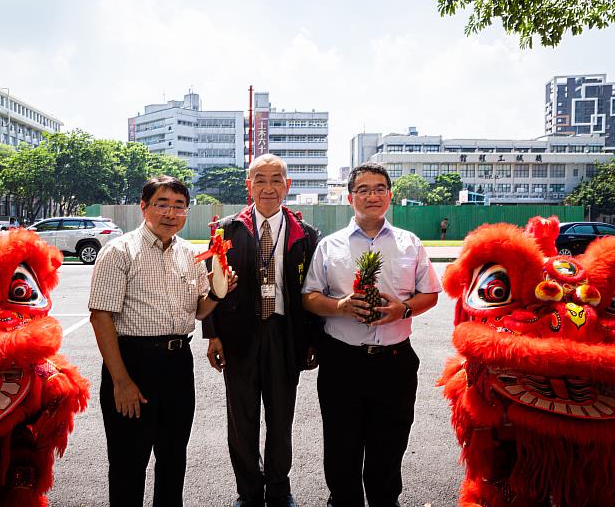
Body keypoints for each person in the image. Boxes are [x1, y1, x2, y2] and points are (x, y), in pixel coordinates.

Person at [89, 175, 235, 506]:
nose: (170, 212)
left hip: (178, 364)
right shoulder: (120, 251)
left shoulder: (190, 254)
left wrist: (218, 290)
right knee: (129, 462)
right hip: (133, 362)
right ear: (144, 207)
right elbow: (101, 317)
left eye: (179, 206)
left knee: (173, 458)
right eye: (162, 204)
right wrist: (121, 381)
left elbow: (200, 311)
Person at [301, 163, 442, 507]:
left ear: (390, 195)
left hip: (395, 361)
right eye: (363, 189)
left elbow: (431, 293)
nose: (372, 195)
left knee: (389, 443)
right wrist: (341, 306)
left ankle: (385, 499)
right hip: (342, 361)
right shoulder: (329, 246)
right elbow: (309, 297)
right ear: (350, 198)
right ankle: (343, 500)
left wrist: (403, 309)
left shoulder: (410, 244)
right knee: (340, 442)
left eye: (380, 188)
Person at [203, 154, 322, 507]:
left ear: (288, 185)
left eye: (276, 180)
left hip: (285, 334)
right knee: (241, 419)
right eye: (260, 179)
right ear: (248, 185)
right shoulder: (226, 230)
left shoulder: (307, 234)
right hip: (240, 335)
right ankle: (249, 491)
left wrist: (313, 339)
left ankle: (279, 488)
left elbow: (314, 290)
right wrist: (213, 333)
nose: (268, 187)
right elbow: (211, 284)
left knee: (281, 415)